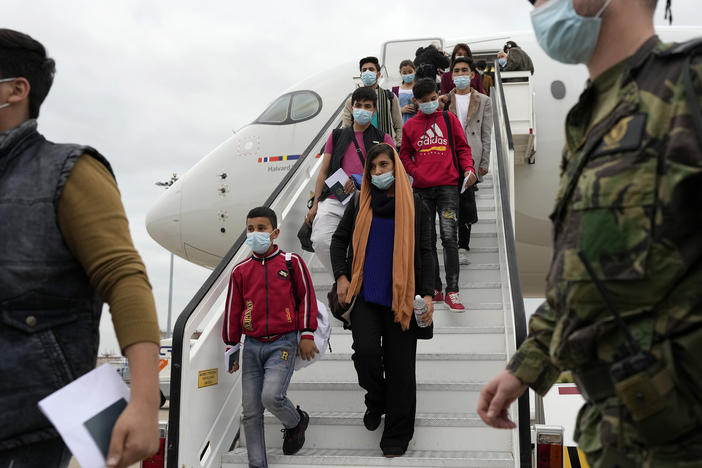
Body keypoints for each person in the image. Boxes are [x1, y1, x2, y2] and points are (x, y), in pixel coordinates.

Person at [478, 0, 702, 466]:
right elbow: (580, 278)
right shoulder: (592, 121)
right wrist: (527, 367)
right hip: (618, 440)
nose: (539, 8)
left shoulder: (691, 86)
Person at [0, 29, 161, 468]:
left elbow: (123, 277)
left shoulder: (69, 170)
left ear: (17, 90)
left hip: (24, 433)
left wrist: (144, 400)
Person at [329, 143, 434, 457]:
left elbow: (427, 253)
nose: (378, 173)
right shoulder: (360, 204)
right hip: (367, 296)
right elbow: (338, 241)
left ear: (396, 167)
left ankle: (397, 434)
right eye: (373, 168)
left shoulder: (417, 206)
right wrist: (342, 276)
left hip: (402, 299)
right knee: (365, 353)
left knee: (402, 369)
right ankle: (377, 399)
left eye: (384, 165)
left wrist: (428, 295)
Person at [222, 207, 319, 468]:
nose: (255, 233)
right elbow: (234, 309)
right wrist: (231, 347)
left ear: (274, 233)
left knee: (271, 396)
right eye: (251, 229)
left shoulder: (291, 262)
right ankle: (257, 464)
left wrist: (306, 333)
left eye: (261, 228)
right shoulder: (240, 271)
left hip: (283, 342)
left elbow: (307, 297)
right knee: (251, 412)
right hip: (252, 346)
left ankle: (296, 422)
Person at [399, 78, 477, 312]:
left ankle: (453, 291)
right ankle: (434, 288)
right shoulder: (410, 126)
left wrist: (469, 168)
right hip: (422, 190)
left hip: (448, 188)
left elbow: (463, 148)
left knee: (449, 237)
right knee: (427, 240)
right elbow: (404, 155)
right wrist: (415, 172)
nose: (431, 104)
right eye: (425, 101)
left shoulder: (448, 119)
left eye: (434, 99)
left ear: (438, 96)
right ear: (416, 101)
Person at [307, 87, 394, 275]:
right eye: (358, 105)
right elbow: (323, 172)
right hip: (333, 197)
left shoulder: (383, 138)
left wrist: (361, 181)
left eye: (367, 106)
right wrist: (315, 205)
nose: (362, 109)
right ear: (352, 107)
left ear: (374, 111)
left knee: (366, 245)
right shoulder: (336, 135)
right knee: (321, 240)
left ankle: (355, 283)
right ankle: (342, 279)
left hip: (367, 198)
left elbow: (392, 172)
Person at [445, 56, 493, 262]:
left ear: (472, 75)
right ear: (451, 75)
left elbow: (486, 133)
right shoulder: (444, 99)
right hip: (449, 158)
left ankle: (463, 246)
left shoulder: (484, 100)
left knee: (466, 203)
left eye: (464, 71)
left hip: (471, 157)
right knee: (450, 204)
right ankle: (452, 245)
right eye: (456, 71)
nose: (460, 75)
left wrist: (484, 163)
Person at [342, 56, 402, 147]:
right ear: (361, 75)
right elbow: (346, 127)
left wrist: (397, 145)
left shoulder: (390, 97)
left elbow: (398, 125)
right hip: (360, 147)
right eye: (364, 70)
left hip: (387, 148)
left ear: (378, 75)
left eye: (371, 69)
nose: (367, 72)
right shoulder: (352, 100)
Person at [391, 60, 417, 124]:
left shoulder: (420, 88)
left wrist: (417, 107)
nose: (407, 75)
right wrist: (401, 110)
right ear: (400, 73)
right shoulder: (395, 90)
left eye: (410, 72)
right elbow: (391, 110)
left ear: (415, 71)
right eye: (404, 73)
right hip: (401, 124)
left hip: (418, 123)